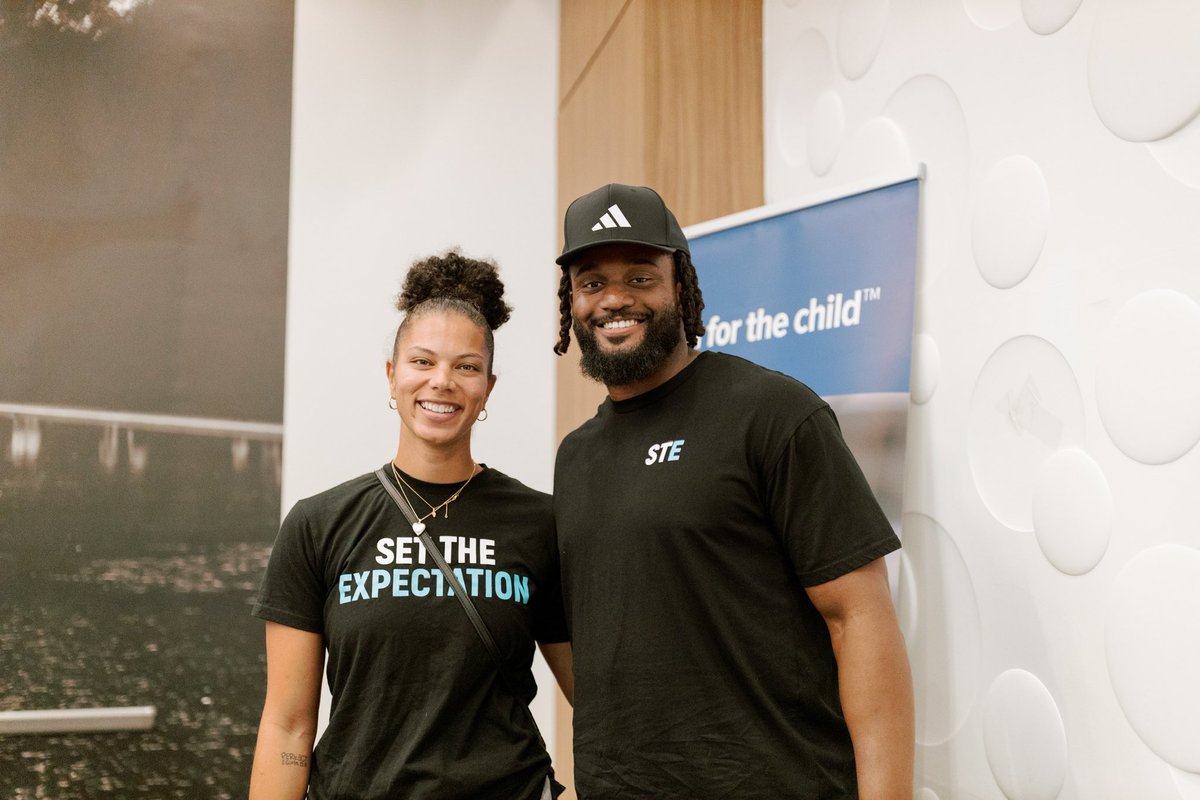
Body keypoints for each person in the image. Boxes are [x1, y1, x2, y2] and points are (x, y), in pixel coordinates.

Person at [551, 183, 914, 799]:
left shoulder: (772, 413)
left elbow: (860, 618)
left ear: (680, 285)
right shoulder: (576, 456)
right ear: (571, 301)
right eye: (592, 282)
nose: (614, 299)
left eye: (640, 277)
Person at [249, 250, 573, 800]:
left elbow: (598, 699)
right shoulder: (318, 523)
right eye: (422, 362)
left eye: (466, 367)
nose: (442, 381)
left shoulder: (541, 523)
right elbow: (288, 725)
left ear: (487, 388)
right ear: (392, 375)